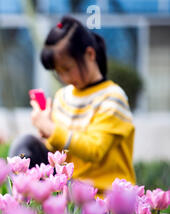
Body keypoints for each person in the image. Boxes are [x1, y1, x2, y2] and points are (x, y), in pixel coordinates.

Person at [9, 15, 136, 194]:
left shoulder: (112, 98)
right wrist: (45, 133)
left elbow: (95, 150)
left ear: (90, 54)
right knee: (25, 147)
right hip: (70, 194)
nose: (65, 78)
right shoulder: (63, 97)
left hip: (105, 199)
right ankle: (16, 209)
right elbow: (60, 152)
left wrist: (52, 129)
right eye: (58, 72)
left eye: (67, 69)